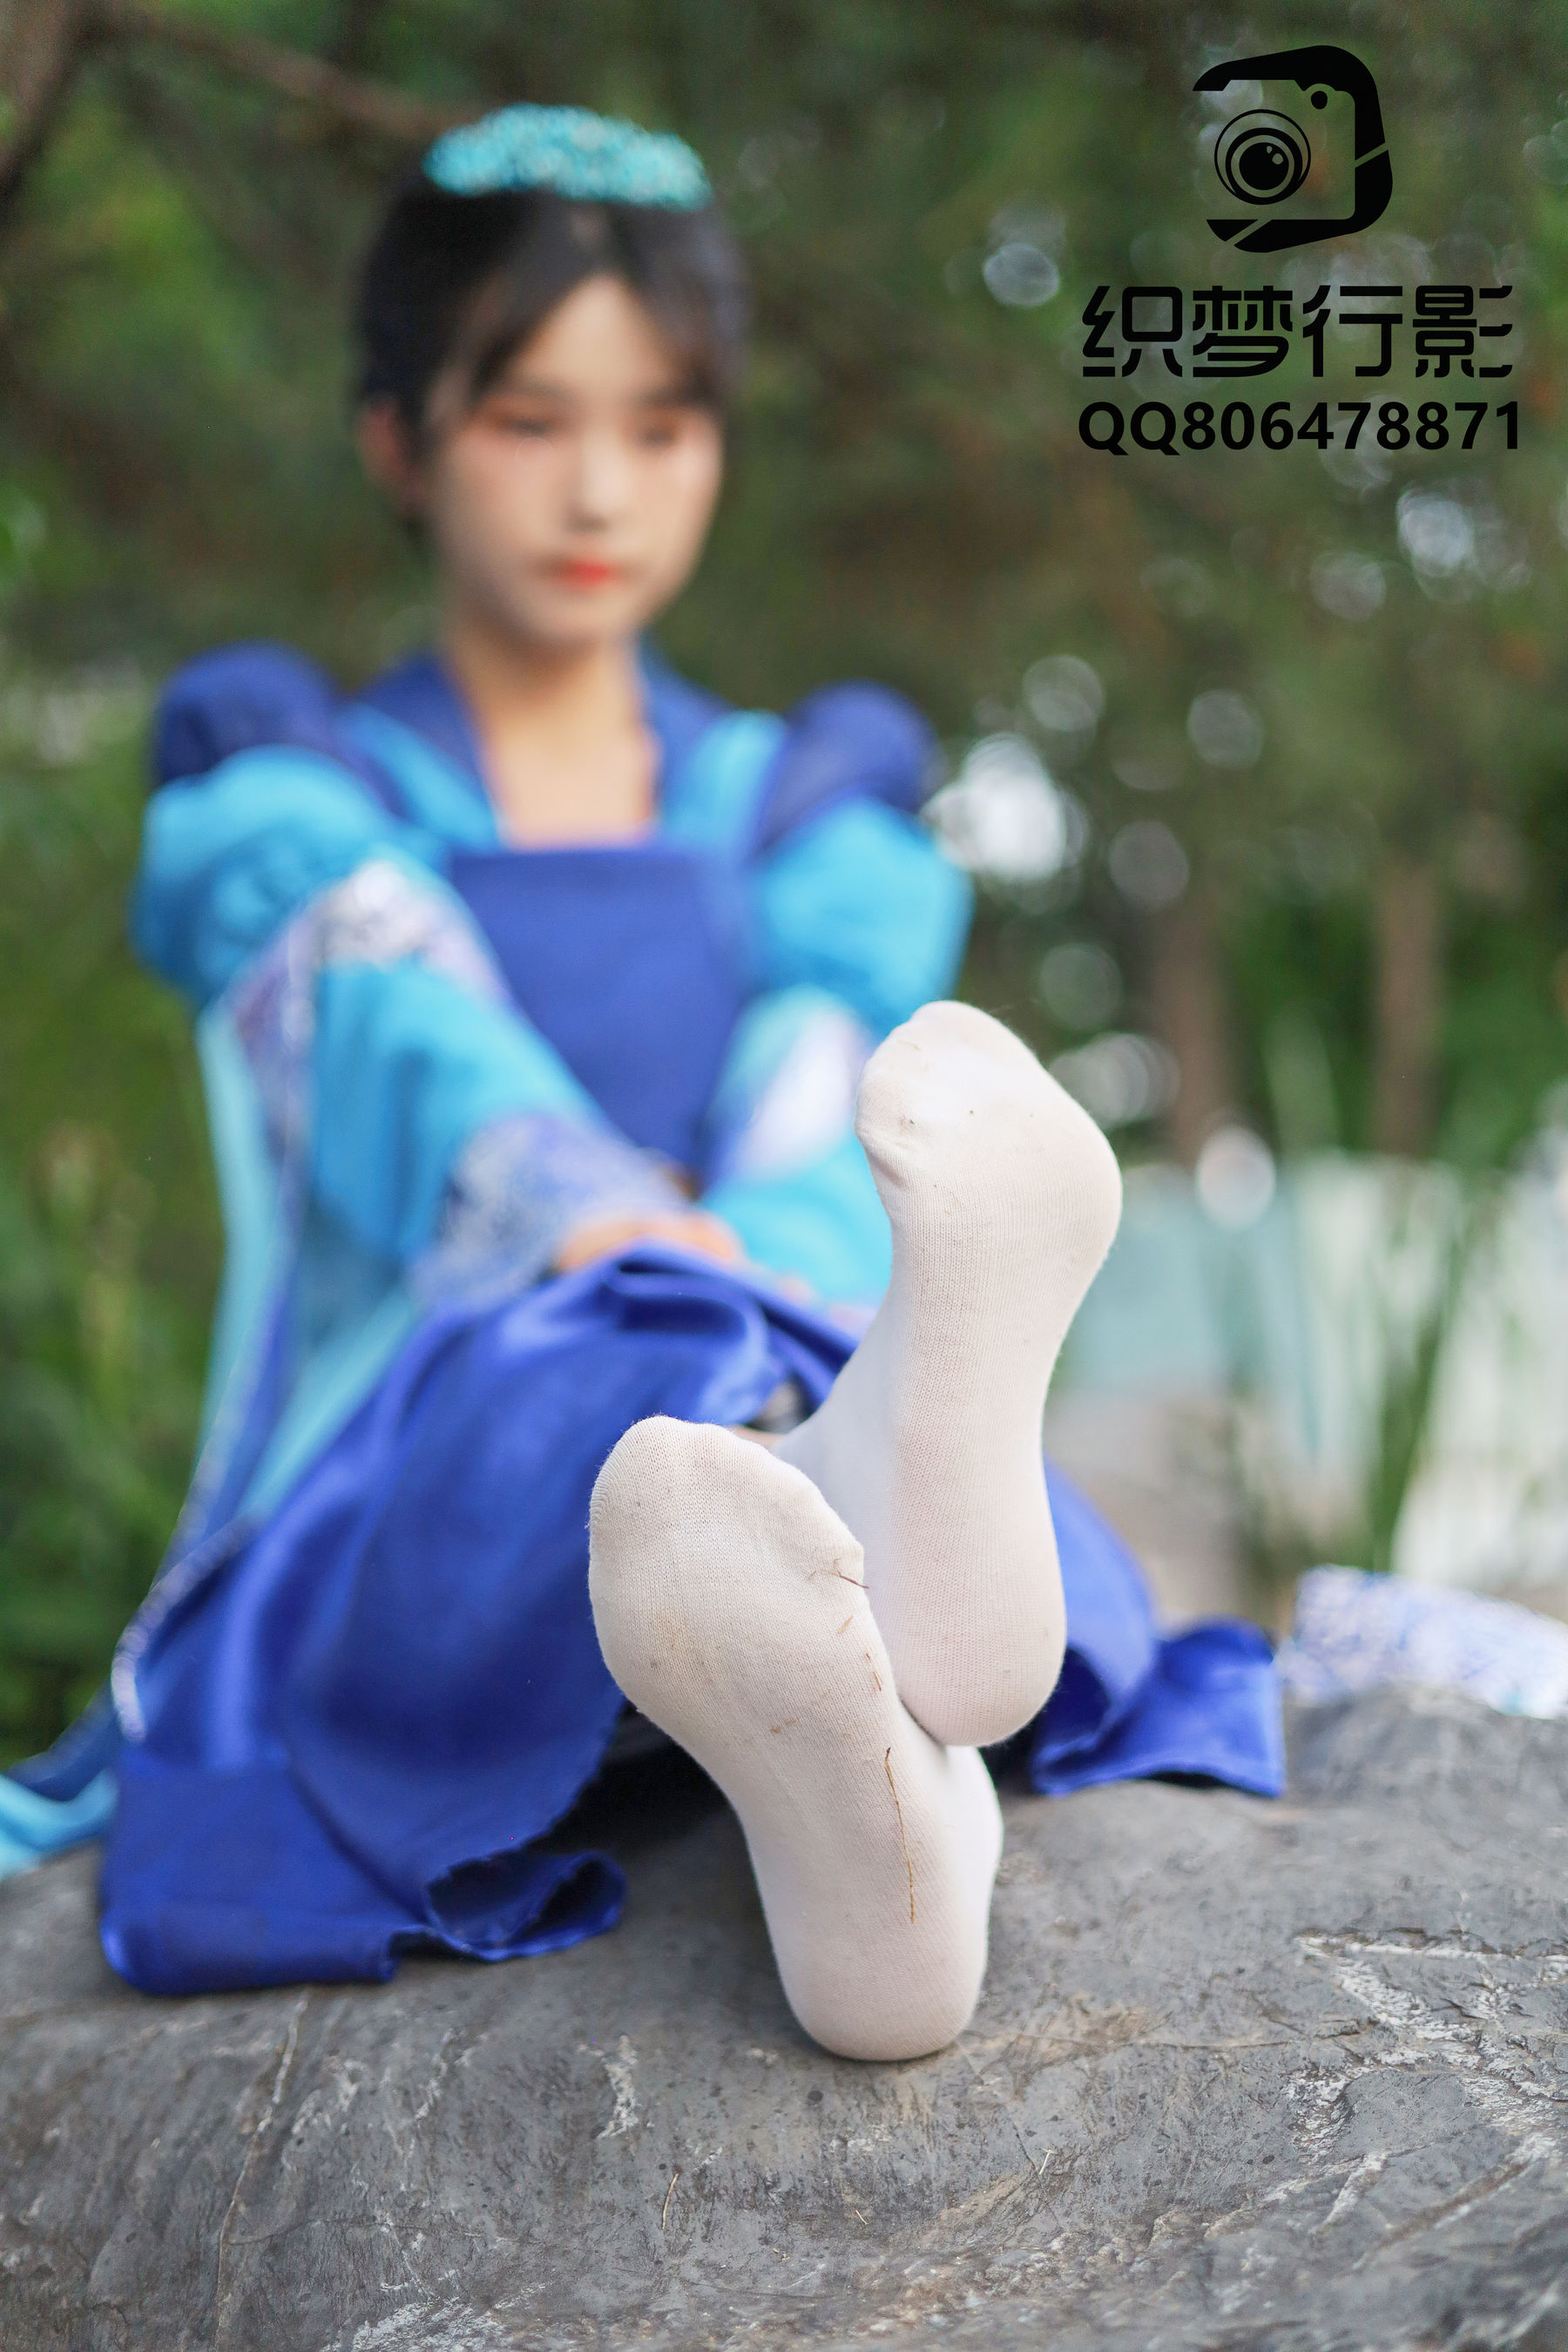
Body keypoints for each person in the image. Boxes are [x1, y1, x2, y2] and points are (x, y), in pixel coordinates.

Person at [3, 106, 1281, 2060]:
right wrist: (603, 1224)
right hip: (463, 1372)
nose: (599, 488)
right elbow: (416, 1063)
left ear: (718, 450)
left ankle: (855, 1690)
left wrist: (723, 1252)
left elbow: (822, 1089)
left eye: (663, 427)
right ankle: (869, 1622)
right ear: (398, 443)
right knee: (606, 1379)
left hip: (773, 1298)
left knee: (742, 1326)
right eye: (529, 420)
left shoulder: (795, 804)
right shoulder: (310, 797)